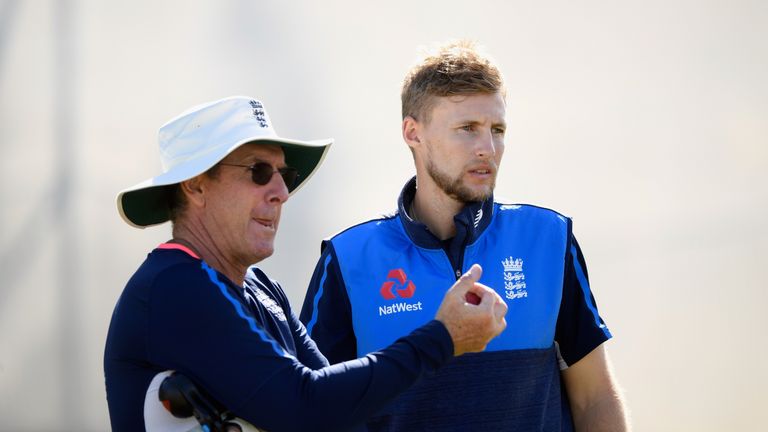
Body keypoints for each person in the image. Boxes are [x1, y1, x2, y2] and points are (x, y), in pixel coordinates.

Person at [103, 95, 508, 432]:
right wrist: (443, 338)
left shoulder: (262, 288)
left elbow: (338, 411)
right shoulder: (175, 287)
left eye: (284, 173)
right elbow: (307, 407)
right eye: (258, 171)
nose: (281, 191)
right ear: (194, 185)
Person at [299, 41, 630, 431]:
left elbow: (594, 397)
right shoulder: (351, 258)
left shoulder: (548, 240)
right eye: (467, 129)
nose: (487, 149)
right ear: (413, 133)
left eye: (498, 130)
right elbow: (309, 410)